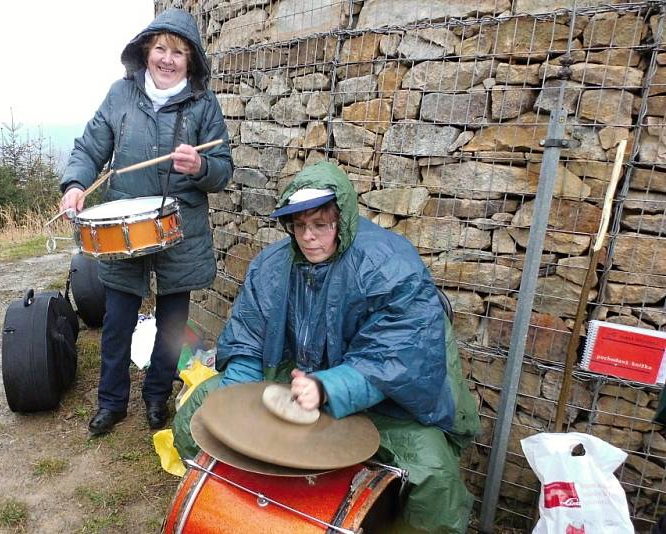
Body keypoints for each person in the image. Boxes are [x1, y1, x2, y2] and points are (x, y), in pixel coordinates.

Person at [173, 161, 481, 533]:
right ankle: (240, 516)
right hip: (295, 382)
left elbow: (397, 356)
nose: (308, 237)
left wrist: (327, 387)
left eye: (321, 225)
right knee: (199, 414)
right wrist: (236, 400)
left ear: (343, 219)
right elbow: (248, 339)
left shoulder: (388, 265)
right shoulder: (271, 266)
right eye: (299, 226)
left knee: (432, 470)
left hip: (382, 399)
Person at [59, 9, 232, 436]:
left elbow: (223, 169)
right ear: (146, 51)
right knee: (117, 320)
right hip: (124, 225)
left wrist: (199, 166)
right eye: (160, 49)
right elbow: (91, 145)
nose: (168, 59)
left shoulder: (203, 104)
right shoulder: (120, 95)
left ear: (190, 60)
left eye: (178, 52)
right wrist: (76, 184)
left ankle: (156, 395)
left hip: (180, 227)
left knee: (172, 323)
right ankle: (111, 402)